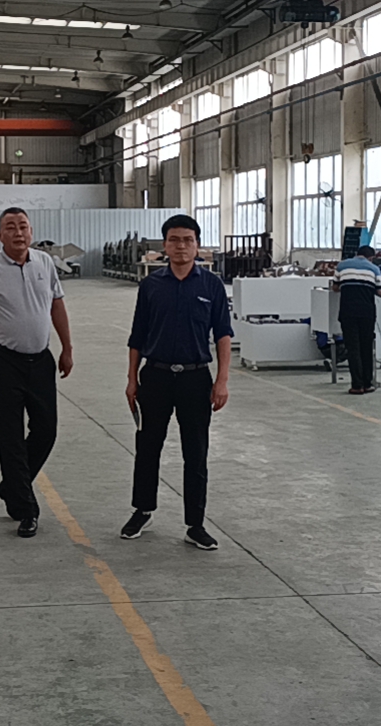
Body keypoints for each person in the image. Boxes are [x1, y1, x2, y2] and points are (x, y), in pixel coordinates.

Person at [121, 214, 234, 551]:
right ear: (165, 246)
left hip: (195, 379)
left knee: (195, 452)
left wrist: (222, 381)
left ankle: (195, 524)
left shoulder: (211, 286)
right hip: (155, 376)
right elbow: (137, 336)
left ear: (197, 245)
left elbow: (223, 335)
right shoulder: (151, 286)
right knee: (148, 447)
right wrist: (131, 379)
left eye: (188, 240)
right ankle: (142, 510)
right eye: (174, 240)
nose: (181, 246)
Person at [0, 207, 73, 538]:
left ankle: (12, 486)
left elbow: (57, 305)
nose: (18, 233)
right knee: (10, 436)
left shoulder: (45, 263)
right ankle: (26, 509)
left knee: (46, 431)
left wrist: (67, 348)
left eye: (23, 226)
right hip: (4, 362)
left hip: (41, 360)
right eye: (10, 227)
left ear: (31, 232)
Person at [334, 245, 381, 394]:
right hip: (366, 313)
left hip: (348, 312)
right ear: (371, 258)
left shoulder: (341, 266)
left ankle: (357, 386)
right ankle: (367, 384)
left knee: (353, 348)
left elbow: (335, 288)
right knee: (366, 348)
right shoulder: (374, 269)